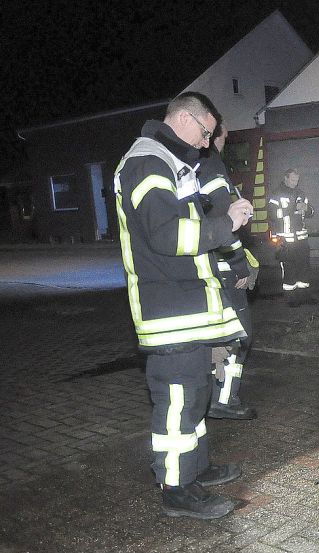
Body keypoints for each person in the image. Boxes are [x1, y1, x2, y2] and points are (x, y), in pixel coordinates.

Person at [114, 92, 252, 519]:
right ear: (186, 119)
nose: (207, 143)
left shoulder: (169, 163)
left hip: (187, 309)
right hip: (170, 311)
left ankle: (196, 468)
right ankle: (177, 488)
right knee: (177, 400)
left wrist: (223, 230)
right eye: (206, 132)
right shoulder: (147, 162)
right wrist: (226, 224)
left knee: (194, 395)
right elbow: (166, 236)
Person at [197, 123, 259, 420]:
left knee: (216, 337)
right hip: (224, 269)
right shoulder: (213, 167)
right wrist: (239, 264)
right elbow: (224, 223)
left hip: (206, 268)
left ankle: (212, 397)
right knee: (238, 336)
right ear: (217, 136)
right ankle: (223, 399)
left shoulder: (192, 166)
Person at [268, 169, 316, 306]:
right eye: (293, 180)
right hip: (285, 241)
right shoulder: (276, 195)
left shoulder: (301, 193)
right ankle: (291, 299)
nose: (295, 183)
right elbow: (273, 214)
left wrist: (307, 208)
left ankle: (305, 296)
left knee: (304, 267)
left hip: (301, 239)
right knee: (289, 269)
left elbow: (311, 212)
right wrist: (293, 207)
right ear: (285, 178)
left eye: (297, 180)